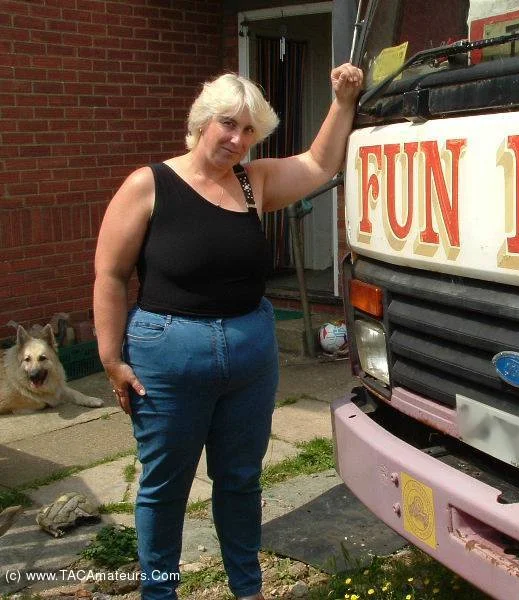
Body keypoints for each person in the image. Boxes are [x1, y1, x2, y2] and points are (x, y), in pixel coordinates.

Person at [93, 63, 364, 600]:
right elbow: (109, 275)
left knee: (240, 480)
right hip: (167, 354)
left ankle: (247, 589)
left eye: (248, 131)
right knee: (164, 488)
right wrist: (110, 357)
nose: (237, 139)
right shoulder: (149, 184)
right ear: (201, 121)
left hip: (249, 354)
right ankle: (159, 592)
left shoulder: (253, 180)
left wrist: (342, 101)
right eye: (227, 124)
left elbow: (316, 162)